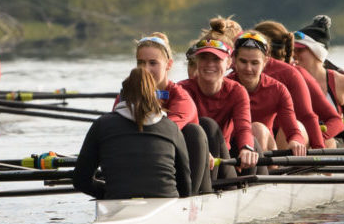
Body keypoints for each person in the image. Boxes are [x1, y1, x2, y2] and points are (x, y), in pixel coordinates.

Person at [72, 66, 195, 200]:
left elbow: (80, 181)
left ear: (122, 96)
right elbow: (186, 187)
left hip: (117, 201)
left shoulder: (102, 125)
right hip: (166, 203)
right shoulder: (171, 128)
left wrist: (107, 193)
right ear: (155, 96)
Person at [133, 31, 211, 193]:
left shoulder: (181, 98)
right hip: (151, 164)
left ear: (168, 64)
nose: (145, 69)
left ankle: (190, 198)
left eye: (153, 63)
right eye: (141, 63)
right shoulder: (127, 95)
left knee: (194, 130)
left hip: (186, 175)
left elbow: (163, 132)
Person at [252, 18, 341, 147]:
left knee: (289, 128)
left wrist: (318, 140)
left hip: (293, 142)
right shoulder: (244, 77)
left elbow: (335, 120)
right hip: (262, 139)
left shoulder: (297, 75)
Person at [180, 36, 257, 172]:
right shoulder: (182, 90)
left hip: (223, 157)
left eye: (216, 59)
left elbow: (244, 127)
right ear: (196, 62)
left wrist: (246, 148)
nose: (210, 64)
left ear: (228, 63)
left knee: (253, 145)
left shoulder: (237, 91)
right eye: (204, 58)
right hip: (193, 158)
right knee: (206, 125)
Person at [230, 33, 306, 156]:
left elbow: (293, 131)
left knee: (257, 129)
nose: (248, 68)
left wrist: (295, 141)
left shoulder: (277, 89)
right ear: (234, 60)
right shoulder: (226, 86)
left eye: (255, 63)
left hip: (265, 148)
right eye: (243, 62)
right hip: (233, 148)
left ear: (265, 61)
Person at [293, 16, 344, 131]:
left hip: (334, 140)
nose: (294, 54)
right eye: (293, 50)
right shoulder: (287, 79)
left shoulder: (343, 82)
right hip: (301, 142)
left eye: (300, 50)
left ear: (317, 52)